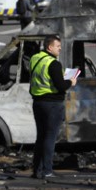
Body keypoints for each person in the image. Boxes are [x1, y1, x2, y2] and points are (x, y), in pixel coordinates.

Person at [29, 35, 78, 179]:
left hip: (38, 102)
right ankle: (47, 171)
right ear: (50, 47)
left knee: (41, 137)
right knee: (50, 137)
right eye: (58, 46)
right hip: (52, 104)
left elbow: (44, 78)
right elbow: (61, 86)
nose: (60, 48)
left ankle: (36, 170)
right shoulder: (54, 64)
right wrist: (71, 82)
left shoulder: (35, 58)